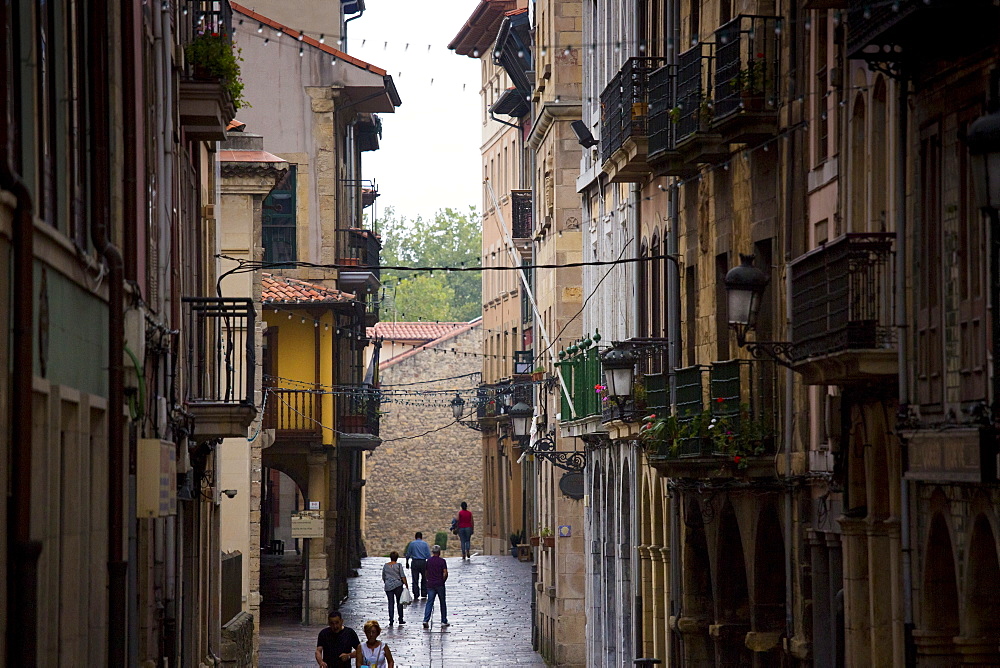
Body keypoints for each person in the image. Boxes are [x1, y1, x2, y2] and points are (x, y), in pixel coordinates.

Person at [422, 544, 450, 628]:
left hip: (430, 584)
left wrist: (428, 579)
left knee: (430, 602)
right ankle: (443, 621)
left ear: (432, 552)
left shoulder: (429, 561)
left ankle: (425, 620)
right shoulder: (442, 561)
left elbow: (426, 572)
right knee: (442, 602)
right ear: (439, 552)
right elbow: (445, 573)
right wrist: (443, 580)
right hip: (440, 584)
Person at [381, 551, 408, 626]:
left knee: (390, 603)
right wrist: (406, 584)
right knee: (399, 602)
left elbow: (383, 576)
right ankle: (400, 619)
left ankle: (391, 620)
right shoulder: (399, 565)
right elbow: (402, 576)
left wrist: (386, 582)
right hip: (398, 585)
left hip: (388, 586)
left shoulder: (385, 566)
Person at [404, 531, 431, 599]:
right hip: (423, 562)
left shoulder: (412, 544)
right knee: (424, 578)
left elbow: (408, 554)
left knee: (415, 579)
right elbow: (428, 555)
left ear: (415, 537)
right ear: (421, 537)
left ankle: (416, 593)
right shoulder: (425, 544)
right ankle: (424, 592)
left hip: (415, 562)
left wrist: (407, 562)